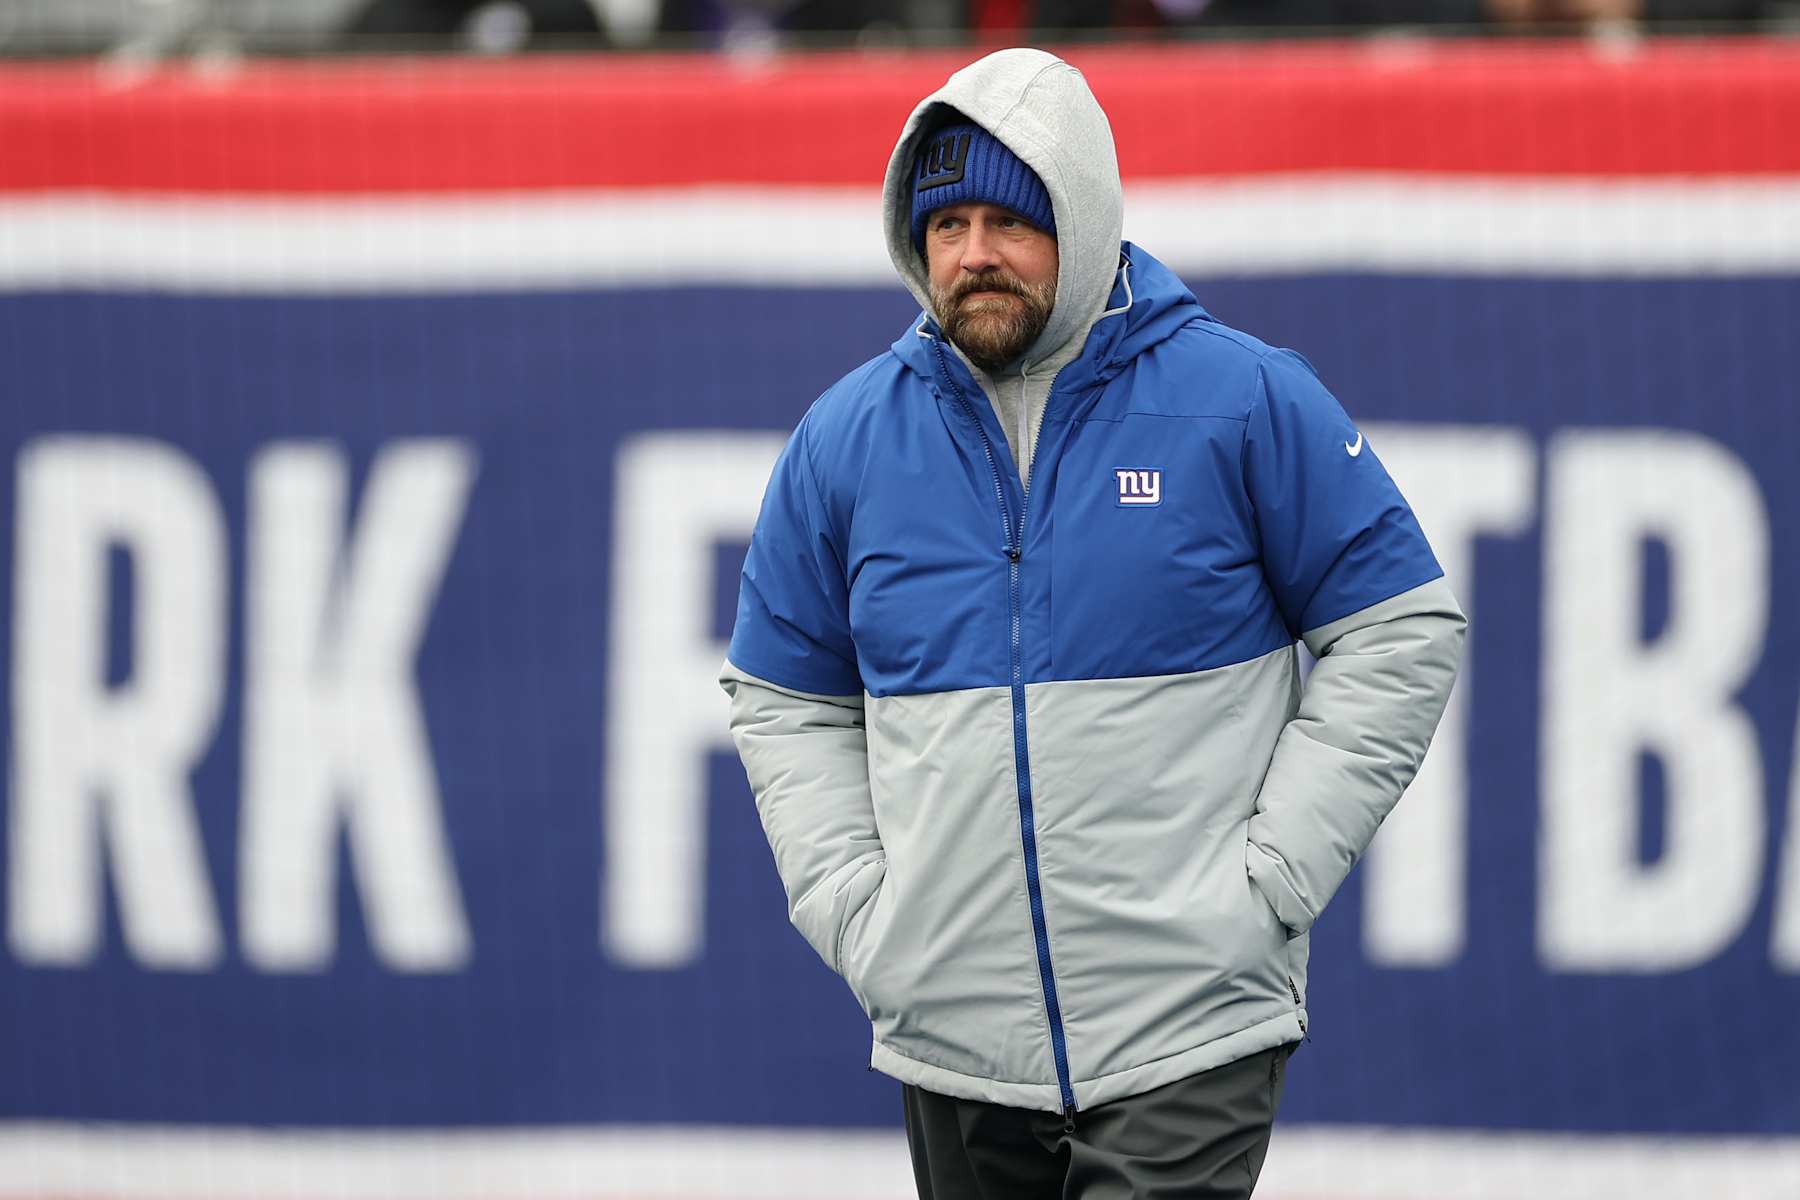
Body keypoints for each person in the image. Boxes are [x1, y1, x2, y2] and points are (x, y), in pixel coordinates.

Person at [721, 47, 1465, 1199]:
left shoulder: (1241, 399)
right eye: (948, 224)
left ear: (1084, 217)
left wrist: (1270, 880)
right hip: (953, 1039)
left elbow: (1402, 630)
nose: (974, 254)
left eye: (1011, 222)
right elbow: (784, 697)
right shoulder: (844, 440)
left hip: (1190, 1029)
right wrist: (862, 918)